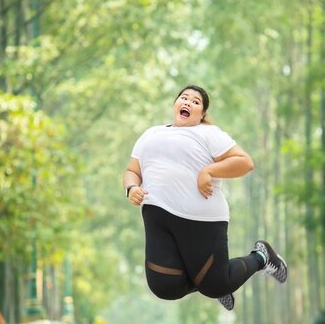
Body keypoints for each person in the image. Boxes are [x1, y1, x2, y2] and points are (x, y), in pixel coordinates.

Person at [123, 85, 287, 310]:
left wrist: (208, 171)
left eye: (195, 101)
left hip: (201, 221)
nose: (188, 102)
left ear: (201, 114)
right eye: (184, 98)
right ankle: (210, 279)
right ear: (175, 104)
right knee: (164, 287)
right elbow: (133, 170)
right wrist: (131, 188)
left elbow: (244, 162)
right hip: (157, 216)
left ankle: (261, 256)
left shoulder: (208, 133)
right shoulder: (151, 134)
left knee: (217, 284)